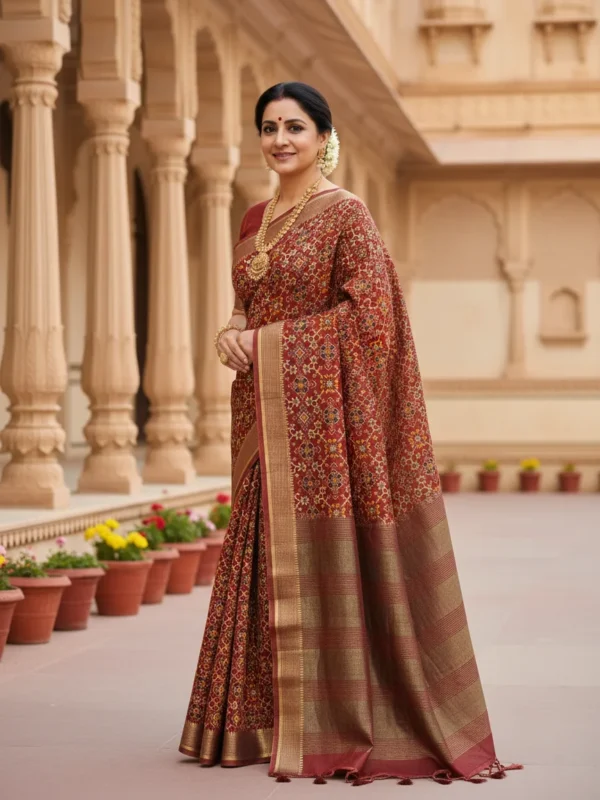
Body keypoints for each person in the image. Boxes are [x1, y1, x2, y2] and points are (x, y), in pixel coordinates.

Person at [179, 81, 519, 786]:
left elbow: (373, 324)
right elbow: (245, 308)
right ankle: (252, 721)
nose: (279, 140)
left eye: (294, 127)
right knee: (257, 561)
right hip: (262, 417)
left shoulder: (347, 217)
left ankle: (338, 717)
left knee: (325, 565)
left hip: (326, 429)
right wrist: (233, 333)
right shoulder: (252, 218)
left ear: (323, 135)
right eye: (269, 127)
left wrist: (270, 344)